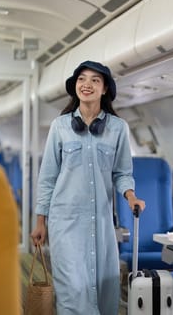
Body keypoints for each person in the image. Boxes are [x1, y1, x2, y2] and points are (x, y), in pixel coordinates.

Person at [31, 60, 146, 314]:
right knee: (71, 290)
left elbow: (122, 173)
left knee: (104, 290)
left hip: (101, 224)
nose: (87, 84)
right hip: (65, 222)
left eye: (95, 80)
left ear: (104, 89)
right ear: (75, 87)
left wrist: (131, 196)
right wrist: (41, 221)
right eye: (82, 79)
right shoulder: (59, 127)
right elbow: (47, 177)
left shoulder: (118, 129)